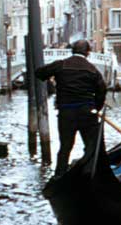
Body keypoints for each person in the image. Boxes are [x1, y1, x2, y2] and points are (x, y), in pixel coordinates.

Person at [34, 38, 106, 178]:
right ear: (88, 53)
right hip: (87, 113)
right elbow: (102, 91)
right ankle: (90, 174)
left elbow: (39, 73)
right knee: (91, 146)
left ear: (72, 51)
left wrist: (54, 80)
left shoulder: (60, 65)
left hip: (66, 113)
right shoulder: (93, 70)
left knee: (65, 147)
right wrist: (96, 108)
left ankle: (59, 176)